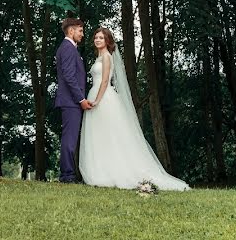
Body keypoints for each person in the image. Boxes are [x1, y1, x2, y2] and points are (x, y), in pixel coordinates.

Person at [78, 27, 189, 191]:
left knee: (111, 135)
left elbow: (104, 81)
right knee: (100, 134)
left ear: (107, 41)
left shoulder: (107, 57)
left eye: (101, 37)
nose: (97, 40)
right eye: (96, 37)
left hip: (104, 98)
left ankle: (115, 171)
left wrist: (97, 100)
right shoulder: (98, 57)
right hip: (95, 94)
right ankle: (101, 170)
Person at [53, 17, 92, 183]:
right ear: (71, 30)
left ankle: (68, 173)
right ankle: (67, 175)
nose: (82, 34)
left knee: (70, 138)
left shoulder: (69, 48)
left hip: (70, 101)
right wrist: (81, 99)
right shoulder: (68, 48)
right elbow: (69, 76)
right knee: (69, 139)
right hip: (71, 102)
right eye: (80, 31)